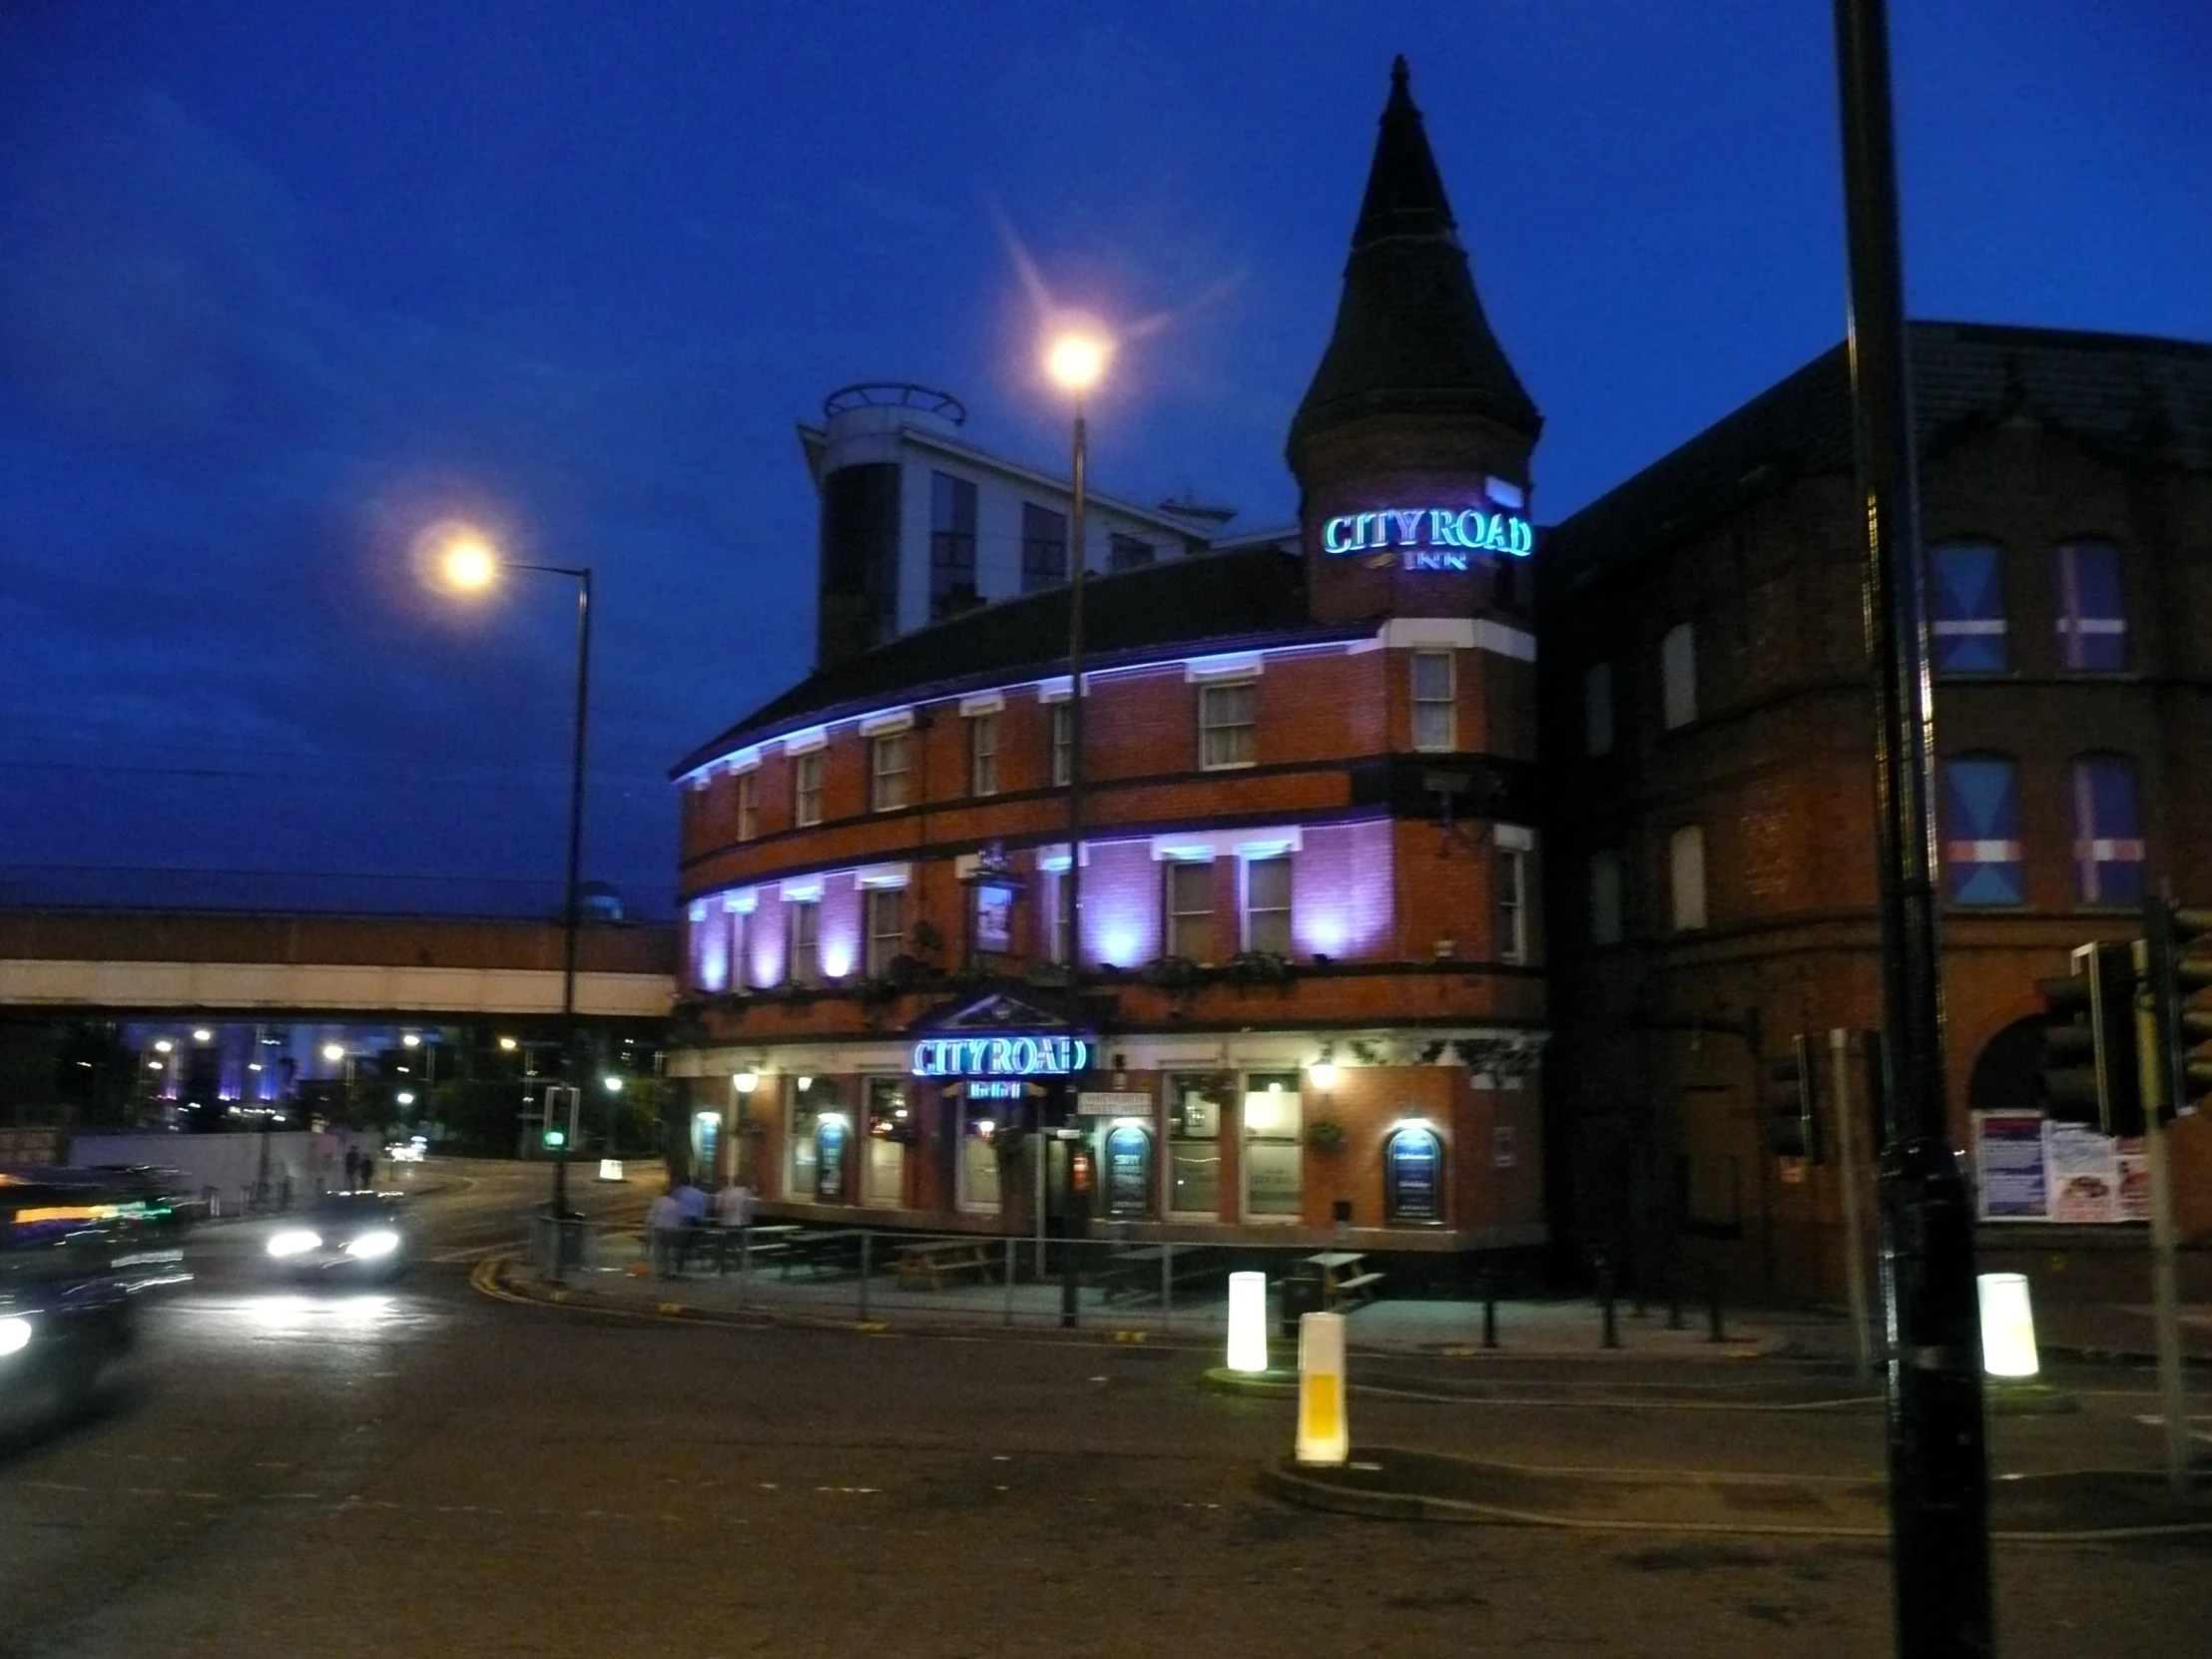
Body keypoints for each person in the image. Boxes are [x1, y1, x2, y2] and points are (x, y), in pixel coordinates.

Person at [713, 1177, 754, 1274]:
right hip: (742, 1223)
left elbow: (718, 1210)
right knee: (739, 1246)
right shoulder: (746, 1192)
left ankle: (720, 1267)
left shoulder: (723, 1192)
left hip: (726, 1223)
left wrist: (717, 1219)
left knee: (722, 1247)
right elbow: (751, 1207)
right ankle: (742, 1266)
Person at [647, 1188, 685, 1279]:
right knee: (672, 1251)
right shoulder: (677, 1204)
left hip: (659, 1228)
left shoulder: (658, 1202)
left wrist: (649, 1229)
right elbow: (681, 1219)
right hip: (673, 1229)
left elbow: (651, 1217)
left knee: (660, 1250)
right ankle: (672, 1271)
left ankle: (661, 1270)